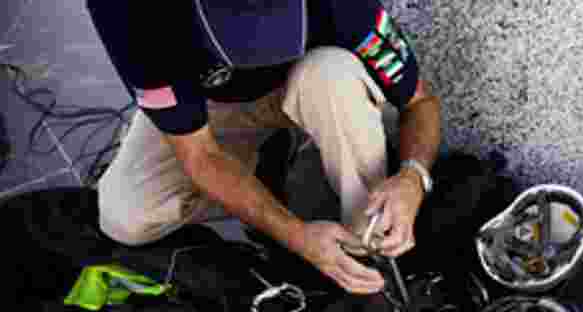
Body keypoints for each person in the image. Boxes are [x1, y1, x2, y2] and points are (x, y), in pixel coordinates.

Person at [86, 0, 441, 295]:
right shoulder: (129, 13)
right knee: (125, 218)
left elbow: (419, 103)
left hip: (309, 83)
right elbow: (199, 155)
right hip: (208, 109)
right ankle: (258, 170)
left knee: (332, 74)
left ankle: (368, 248)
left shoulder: (342, 5)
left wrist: (413, 177)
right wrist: (295, 235)